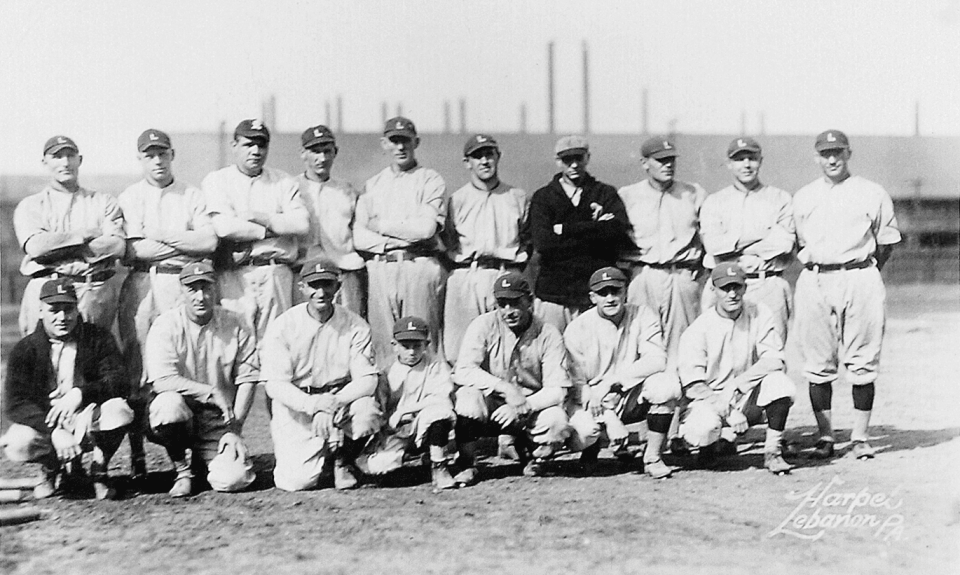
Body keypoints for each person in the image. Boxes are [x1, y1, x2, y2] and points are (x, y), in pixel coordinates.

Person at [117, 128, 218, 483]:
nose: (157, 161)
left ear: (172, 154)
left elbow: (207, 241)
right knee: (138, 368)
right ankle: (137, 454)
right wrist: (182, 244)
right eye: (149, 155)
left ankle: (193, 454)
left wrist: (158, 235)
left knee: (184, 362)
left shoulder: (191, 193)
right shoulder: (130, 196)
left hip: (182, 283)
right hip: (143, 283)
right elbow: (133, 250)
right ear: (140, 159)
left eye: (162, 154)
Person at [792, 130, 900, 460]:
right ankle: (825, 436)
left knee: (863, 361)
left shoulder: (871, 191)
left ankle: (860, 437)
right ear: (816, 157)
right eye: (825, 153)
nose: (832, 158)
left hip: (860, 275)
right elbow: (798, 242)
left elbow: (887, 241)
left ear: (849, 153)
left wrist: (863, 271)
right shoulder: (804, 196)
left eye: (838, 152)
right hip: (816, 278)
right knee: (817, 363)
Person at [0, 278, 133, 500]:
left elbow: (120, 382)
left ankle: (99, 469)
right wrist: (54, 432)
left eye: (68, 309)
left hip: (86, 418)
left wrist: (80, 393)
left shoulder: (97, 338)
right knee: (18, 441)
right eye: (54, 310)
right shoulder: (26, 349)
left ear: (77, 308)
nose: (62, 317)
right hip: (48, 422)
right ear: (41, 311)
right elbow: (16, 404)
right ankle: (51, 469)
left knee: (119, 410)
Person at [617, 136, 707, 455]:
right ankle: (637, 432)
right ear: (645, 164)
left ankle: (678, 429)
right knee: (642, 349)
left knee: (682, 351)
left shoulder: (693, 192)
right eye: (659, 160)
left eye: (671, 159)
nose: (667, 165)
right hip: (642, 274)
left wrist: (699, 274)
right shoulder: (627, 196)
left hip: (682, 275)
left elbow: (707, 240)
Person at [260, 259, 381, 491]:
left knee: (366, 411)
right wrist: (313, 404)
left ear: (338, 286)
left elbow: (368, 380)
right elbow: (275, 385)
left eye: (327, 284)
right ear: (302, 287)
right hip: (299, 404)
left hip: (340, 401)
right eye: (314, 285)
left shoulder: (355, 325)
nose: (321, 292)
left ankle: (342, 460)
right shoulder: (284, 325)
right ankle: (323, 457)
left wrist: (332, 403)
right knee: (296, 482)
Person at [144, 262, 258, 497]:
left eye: (206, 288)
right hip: (181, 413)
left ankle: (203, 460)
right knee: (168, 406)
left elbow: (248, 378)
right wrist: (210, 391)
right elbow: (162, 380)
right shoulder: (166, 324)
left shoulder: (236, 322)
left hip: (217, 420)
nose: (200, 297)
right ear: (181, 292)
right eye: (192, 289)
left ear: (215, 289)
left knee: (232, 480)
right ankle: (182, 469)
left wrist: (234, 429)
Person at [677, 263, 795, 474]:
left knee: (780, 384)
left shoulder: (759, 312)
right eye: (725, 288)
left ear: (745, 288)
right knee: (704, 428)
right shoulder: (698, 329)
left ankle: (773, 451)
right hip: (710, 400)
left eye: (737, 287)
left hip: (745, 396)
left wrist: (737, 385)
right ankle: (709, 448)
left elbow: (775, 360)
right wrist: (727, 410)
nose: (732, 294)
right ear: (713, 290)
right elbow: (693, 386)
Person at [564, 267, 681, 479]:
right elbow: (577, 386)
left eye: (615, 291)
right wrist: (610, 419)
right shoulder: (577, 328)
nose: (610, 298)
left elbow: (657, 359)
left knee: (666, 385)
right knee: (585, 432)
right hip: (592, 400)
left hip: (628, 393)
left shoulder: (643, 314)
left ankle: (652, 457)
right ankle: (591, 450)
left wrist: (613, 382)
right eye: (603, 293)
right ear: (592, 297)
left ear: (625, 291)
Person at [452, 272, 571, 480]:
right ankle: (467, 462)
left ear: (530, 301)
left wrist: (523, 405)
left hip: (529, 405)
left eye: (515, 303)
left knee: (557, 421)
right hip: (492, 401)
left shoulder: (548, 333)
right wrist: (504, 388)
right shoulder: (483, 324)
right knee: (467, 397)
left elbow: (557, 389)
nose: (508, 311)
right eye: (502, 304)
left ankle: (532, 457)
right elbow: (463, 370)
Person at [201, 119, 309, 343]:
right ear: (234, 146)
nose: (256, 151)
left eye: (261, 145)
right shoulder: (218, 180)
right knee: (236, 339)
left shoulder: (283, 181)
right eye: (248, 145)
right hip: (235, 273)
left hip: (275, 271)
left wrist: (261, 217)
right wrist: (271, 230)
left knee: (277, 341)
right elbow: (225, 227)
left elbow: (300, 224)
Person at [354, 116, 447, 368]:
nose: (400, 147)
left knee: (421, 341)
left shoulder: (430, 179)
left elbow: (426, 229)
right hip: (381, 267)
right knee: (384, 346)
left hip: (417, 265)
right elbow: (359, 236)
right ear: (384, 144)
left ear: (416, 142)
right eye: (394, 141)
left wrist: (382, 226)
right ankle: (389, 404)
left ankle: (429, 403)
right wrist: (390, 242)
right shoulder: (373, 184)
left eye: (405, 140)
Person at [13, 135, 125, 336]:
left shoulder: (102, 201)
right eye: (57, 156)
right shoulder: (31, 205)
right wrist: (84, 235)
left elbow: (116, 246)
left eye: (70, 156)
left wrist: (56, 244)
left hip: (92, 290)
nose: (65, 162)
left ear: (79, 160)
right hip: (45, 290)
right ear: (45, 162)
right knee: (43, 361)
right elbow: (37, 248)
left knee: (94, 358)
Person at [524, 135, 629, 333]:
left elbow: (616, 235)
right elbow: (544, 244)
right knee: (552, 352)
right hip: (553, 294)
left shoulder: (604, 193)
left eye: (578, 158)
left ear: (587, 158)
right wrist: (595, 227)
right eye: (567, 160)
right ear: (558, 161)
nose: (573, 165)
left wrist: (565, 229)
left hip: (593, 293)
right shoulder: (543, 197)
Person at [443, 134, 529, 365]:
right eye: (477, 156)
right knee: (460, 349)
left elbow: (527, 239)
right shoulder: (457, 199)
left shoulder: (516, 196)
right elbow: (448, 240)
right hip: (467, 274)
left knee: (506, 347)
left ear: (497, 157)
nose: (484, 161)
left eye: (488, 154)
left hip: (506, 271)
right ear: (467, 162)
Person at [699, 137, 796, 342]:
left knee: (771, 353)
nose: (746, 164)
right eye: (739, 159)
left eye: (751, 158)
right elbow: (714, 246)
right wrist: (761, 234)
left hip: (767, 282)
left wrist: (733, 245)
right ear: (729, 164)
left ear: (760, 160)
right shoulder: (715, 202)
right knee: (720, 352)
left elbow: (784, 243)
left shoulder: (780, 198)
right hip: (724, 286)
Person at [355, 316, 458, 490]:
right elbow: (379, 407)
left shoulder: (435, 365)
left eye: (417, 346)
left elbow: (442, 399)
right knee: (379, 468)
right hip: (395, 431)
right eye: (405, 346)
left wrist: (404, 410)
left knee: (440, 412)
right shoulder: (385, 369)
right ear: (394, 345)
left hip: (423, 424)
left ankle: (439, 466)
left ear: (427, 344)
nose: (411, 352)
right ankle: (407, 458)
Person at [295, 124, 366, 316]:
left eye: (327, 151)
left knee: (349, 327)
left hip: (343, 271)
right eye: (315, 152)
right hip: (303, 272)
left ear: (335, 152)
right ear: (303, 153)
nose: (322, 158)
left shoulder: (347, 191)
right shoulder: (291, 187)